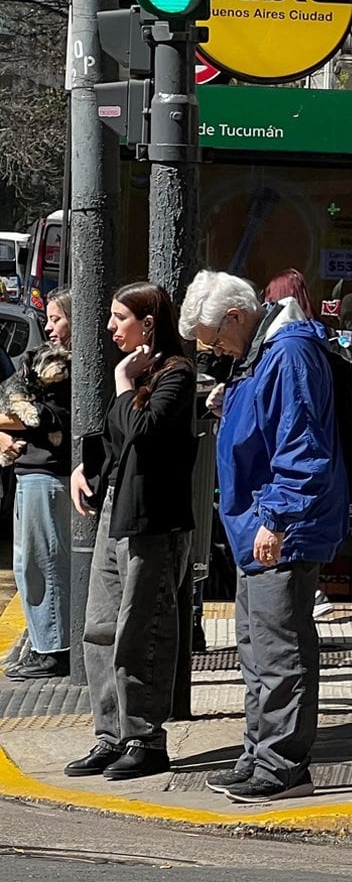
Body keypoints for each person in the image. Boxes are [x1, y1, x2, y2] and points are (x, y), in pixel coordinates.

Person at [182, 272, 347, 802]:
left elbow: (301, 446)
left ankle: (281, 763)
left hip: (280, 525)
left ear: (237, 316)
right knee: (256, 648)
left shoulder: (288, 353)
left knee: (279, 650)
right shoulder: (264, 351)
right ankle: (259, 752)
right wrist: (229, 402)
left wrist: (276, 518)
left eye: (214, 338)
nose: (215, 350)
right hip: (257, 521)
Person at [63, 283, 197, 782]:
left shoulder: (176, 375)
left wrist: (122, 381)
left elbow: (144, 431)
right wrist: (87, 469)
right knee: (100, 626)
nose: (111, 327)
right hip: (118, 512)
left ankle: (144, 737)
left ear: (148, 322)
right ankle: (110, 733)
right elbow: (119, 441)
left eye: (120, 317)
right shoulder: (145, 373)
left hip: (153, 521)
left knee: (143, 628)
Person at [2, 290, 73, 679]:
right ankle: (41, 640)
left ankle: (53, 647)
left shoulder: (69, 369)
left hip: (47, 477)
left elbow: (44, 419)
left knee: (44, 563)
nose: (49, 327)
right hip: (29, 473)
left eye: (57, 319)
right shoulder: (36, 362)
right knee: (27, 563)